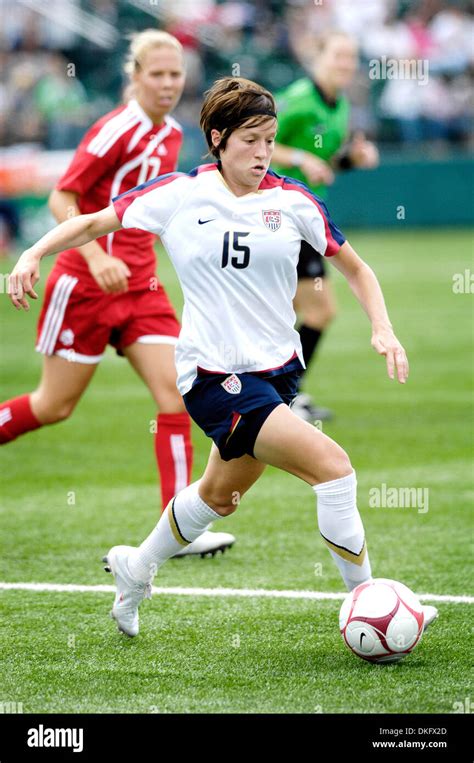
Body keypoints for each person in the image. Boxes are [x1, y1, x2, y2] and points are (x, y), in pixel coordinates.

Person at [7, 76, 438, 644]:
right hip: (214, 376)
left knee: (218, 498)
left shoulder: (293, 202)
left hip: (275, 374)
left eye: (269, 140)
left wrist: (383, 328)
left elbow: (356, 268)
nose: (262, 153)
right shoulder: (181, 194)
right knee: (334, 470)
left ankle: (136, 568)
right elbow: (92, 221)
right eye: (250, 140)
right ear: (217, 138)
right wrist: (33, 252)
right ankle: (371, 603)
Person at [0, 30, 235, 558]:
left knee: (176, 395)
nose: (169, 84)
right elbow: (62, 197)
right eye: (158, 74)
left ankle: (175, 531)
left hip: (142, 289)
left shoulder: (173, 132)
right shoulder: (114, 130)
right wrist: (97, 256)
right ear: (135, 76)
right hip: (84, 288)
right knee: (53, 406)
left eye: (176, 75)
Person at [272, 30, 379, 423]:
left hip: (308, 215)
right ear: (319, 56)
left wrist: (352, 157)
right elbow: (256, 141)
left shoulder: (340, 105)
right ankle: (280, 396)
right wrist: (299, 157)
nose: (345, 64)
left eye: (351, 58)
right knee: (313, 310)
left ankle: (283, 394)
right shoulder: (299, 98)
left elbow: (326, 163)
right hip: (279, 213)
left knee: (308, 311)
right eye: (338, 55)